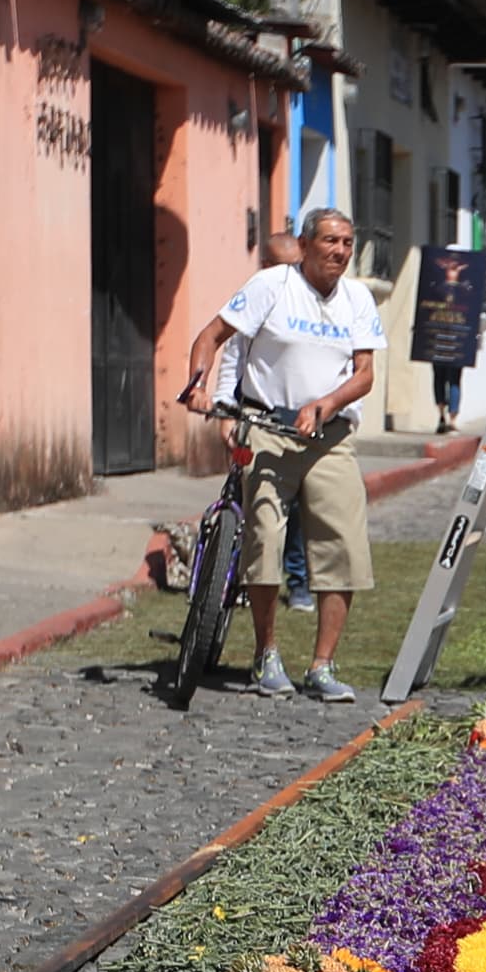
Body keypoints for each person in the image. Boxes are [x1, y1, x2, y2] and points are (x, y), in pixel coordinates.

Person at [188, 207, 383, 702]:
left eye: (347, 243)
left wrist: (327, 403)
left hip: (330, 433)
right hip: (268, 426)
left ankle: (322, 665)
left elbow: (364, 374)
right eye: (331, 241)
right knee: (265, 539)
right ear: (305, 243)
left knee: (342, 545)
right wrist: (199, 386)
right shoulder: (272, 285)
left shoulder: (358, 298)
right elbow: (211, 337)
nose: (340, 251)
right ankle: (266, 654)